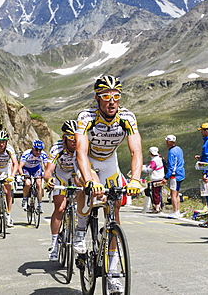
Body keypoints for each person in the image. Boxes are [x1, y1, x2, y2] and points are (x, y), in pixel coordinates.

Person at [73, 75, 142, 293]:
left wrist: (136, 179)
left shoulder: (127, 117)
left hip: (110, 162)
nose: (111, 101)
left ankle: (113, 273)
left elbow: (136, 150)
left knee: (113, 212)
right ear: (97, 98)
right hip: (89, 160)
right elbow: (81, 152)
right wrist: (90, 179)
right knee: (89, 188)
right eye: (106, 97)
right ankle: (80, 228)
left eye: (116, 96)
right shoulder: (86, 117)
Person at [44, 120, 81, 261]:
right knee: (60, 208)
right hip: (60, 176)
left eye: (76, 137)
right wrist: (49, 180)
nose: (74, 141)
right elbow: (48, 171)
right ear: (64, 137)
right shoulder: (57, 148)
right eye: (71, 137)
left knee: (81, 187)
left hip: (75, 175)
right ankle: (54, 244)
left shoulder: (82, 146)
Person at [0, 130, 18, 227]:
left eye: (3, 141)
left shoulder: (9, 149)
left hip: (6, 168)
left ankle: (8, 215)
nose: (1, 144)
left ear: (6, 142)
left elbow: (15, 163)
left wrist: (12, 175)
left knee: (8, 191)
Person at [19, 140, 48, 213]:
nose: (38, 152)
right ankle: (25, 199)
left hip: (36, 169)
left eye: (40, 150)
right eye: (36, 150)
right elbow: (20, 166)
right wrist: (22, 175)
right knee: (28, 183)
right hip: (26, 169)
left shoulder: (43, 154)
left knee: (39, 183)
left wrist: (47, 177)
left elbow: (47, 167)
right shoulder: (26, 154)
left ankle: (40, 205)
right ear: (32, 148)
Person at [162, 134, 185, 219]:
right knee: (177, 193)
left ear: (168, 142)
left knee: (173, 194)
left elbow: (171, 166)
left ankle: (175, 212)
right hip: (181, 173)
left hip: (174, 175)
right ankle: (177, 211)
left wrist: (166, 177)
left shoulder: (171, 152)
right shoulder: (179, 149)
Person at [142, 146, 166, 213]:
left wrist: (141, 168)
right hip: (160, 177)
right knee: (158, 193)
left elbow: (149, 169)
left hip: (156, 178)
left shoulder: (154, 160)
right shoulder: (159, 158)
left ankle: (157, 207)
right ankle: (158, 206)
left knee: (155, 193)